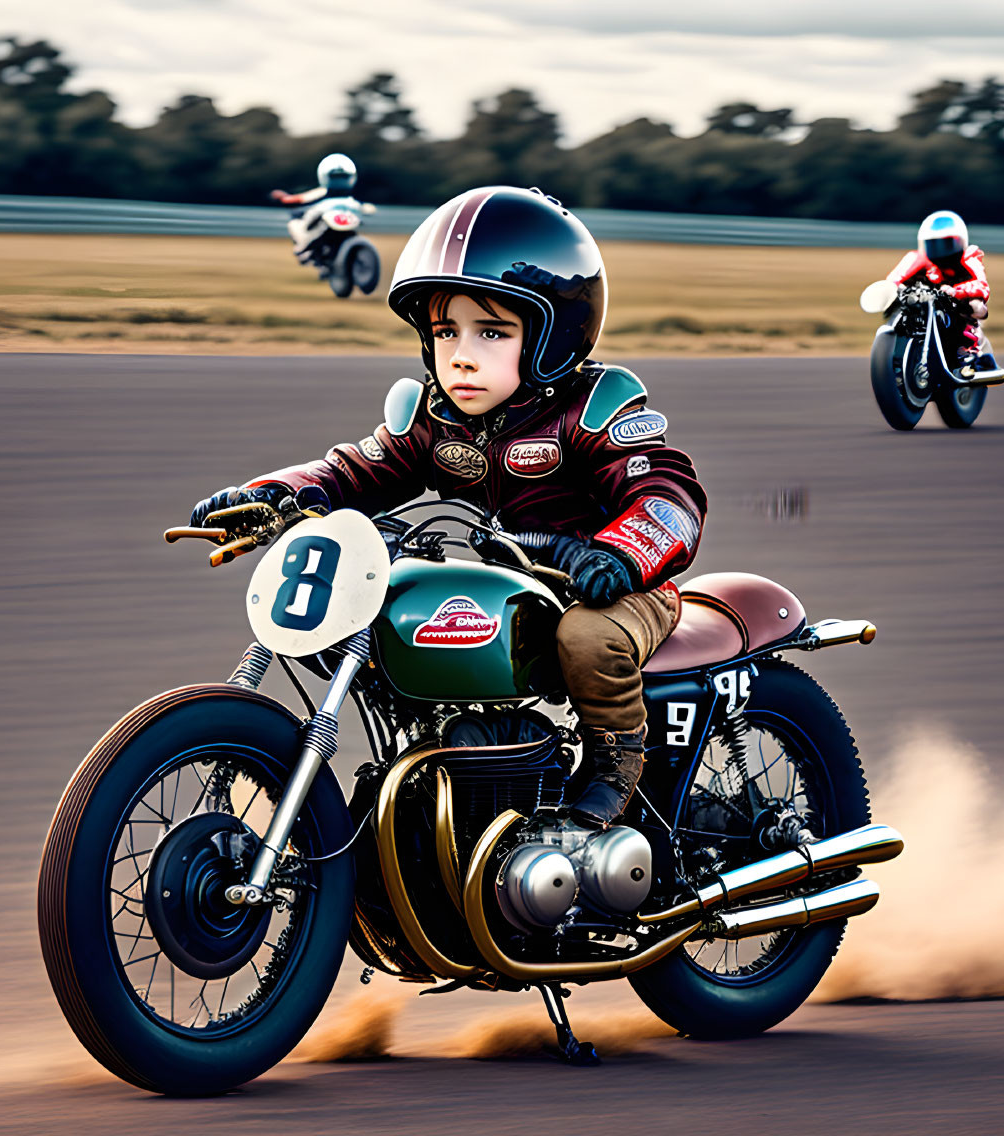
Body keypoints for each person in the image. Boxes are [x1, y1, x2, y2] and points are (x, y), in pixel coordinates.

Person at [190, 186, 707, 829]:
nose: (461, 353)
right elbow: (353, 471)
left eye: (491, 331)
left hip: (618, 587)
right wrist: (271, 494)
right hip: (519, 584)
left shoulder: (592, 409)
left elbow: (669, 495)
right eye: (445, 330)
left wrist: (621, 554)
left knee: (586, 634)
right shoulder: (433, 419)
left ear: (552, 338)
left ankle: (616, 768)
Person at [886, 210, 991, 374]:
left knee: (975, 305)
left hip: (955, 302)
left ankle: (968, 351)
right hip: (924, 301)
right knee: (896, 305)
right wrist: (891, 290)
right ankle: (896, 356)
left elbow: (981, 285)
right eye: (932, 244)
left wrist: (957, 292)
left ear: (960, 242)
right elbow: (894, 280)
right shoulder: (917, 259)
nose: (939, 251)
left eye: (946, 244)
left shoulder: (969, 258)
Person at [271, 152, 371, 256]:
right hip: (338, 223)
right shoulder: (352, 197)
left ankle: (302, 247)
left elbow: (294, 200)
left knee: (294, 222)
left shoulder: (321, 192)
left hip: (332, 223)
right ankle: (306, 248)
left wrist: (282, 197)